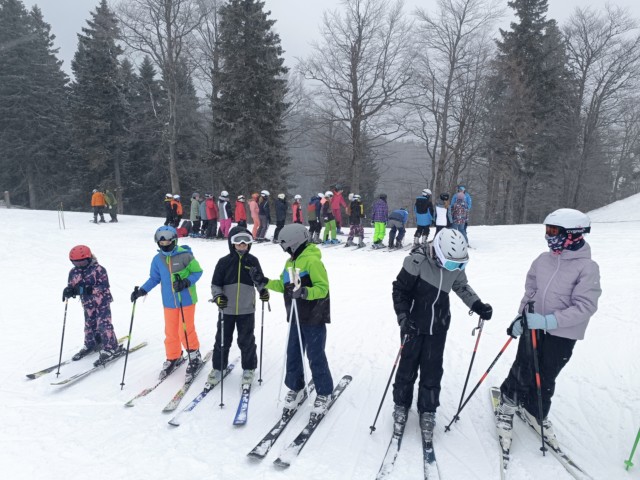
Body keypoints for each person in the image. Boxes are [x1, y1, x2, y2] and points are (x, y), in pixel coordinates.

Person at [495, 208, 601, 450]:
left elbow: (585, 306)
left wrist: (548, 321)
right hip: (533, 326)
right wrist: (521, 316)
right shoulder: (542, 260)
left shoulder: (587, 267)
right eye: (547, 230)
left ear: (572, 234)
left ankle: (535, 410)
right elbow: (531, 292)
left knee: (546, 374)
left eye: (554, 231)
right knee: (523, 367)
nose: (548, 236)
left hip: (562, 333)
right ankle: (508, 405)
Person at [391, 228, 493, 441]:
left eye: (459, 265)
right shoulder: (417, 262)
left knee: (433, 368)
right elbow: (400, 291)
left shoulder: (454, 266)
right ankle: (401, 404)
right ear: (437, 253)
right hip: (413, 325)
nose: (453, 268)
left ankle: (428, 409)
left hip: (438, 325)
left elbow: (461, 286)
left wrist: (477, 305)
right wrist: (403, 317)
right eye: (450, 264)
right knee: (407, 366)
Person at [249, 224, 334, 417]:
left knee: (315, 354)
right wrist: (264, 282)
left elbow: (322, 288)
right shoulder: (290, 263)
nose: (284, 249)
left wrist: (304, 292)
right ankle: (296, 387)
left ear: (294, 243)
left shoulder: (312, 261)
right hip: (295, 317)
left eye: (284, 245)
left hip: (314, 317)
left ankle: (324, 391)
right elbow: (283, 285)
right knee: (293, 353)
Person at [130, 226, 204, 381]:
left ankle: (194, 355)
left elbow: (198, 272)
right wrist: (142, 290)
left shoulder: (185, 255)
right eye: (161, 242)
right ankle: (173, 356)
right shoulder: (157, 260)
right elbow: (154, 278)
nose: (165, 245)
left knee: (185, 330)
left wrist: (186, 282)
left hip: (186, 300)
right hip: (169, 302)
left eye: (168, 242)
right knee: (170, 331)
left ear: (174, 240)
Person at [208, 227, 269, 386]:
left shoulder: (253, 261)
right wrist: (218, 297)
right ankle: (218, 368)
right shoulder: (224, 262)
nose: (242, 245)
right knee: (222, 339)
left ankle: (249, 368)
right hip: (226, 308)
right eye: (238, 242)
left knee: (246, 340)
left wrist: (263, 291)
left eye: (245, 242)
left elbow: (260, 280)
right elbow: (215, 284)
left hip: (246, 308)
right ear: (231, 243)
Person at [62, 245, 121, 366]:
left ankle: (112, 347)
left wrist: (89, 290)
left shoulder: (99, 269)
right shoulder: (73, 272)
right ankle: (91, 343)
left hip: (102, 301)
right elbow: (73, 286)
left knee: (103, 324)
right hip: (87, 303)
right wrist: (68, 291)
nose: (79, 265)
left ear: (89, 258)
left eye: (82, 262)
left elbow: (104, 286)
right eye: (76, 263)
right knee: (89, 325)